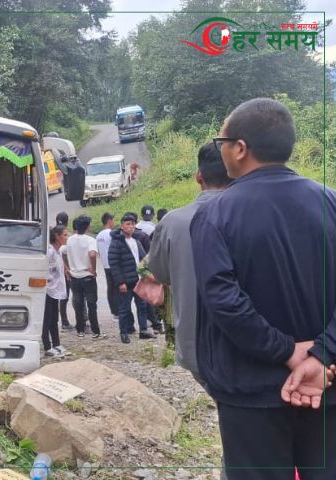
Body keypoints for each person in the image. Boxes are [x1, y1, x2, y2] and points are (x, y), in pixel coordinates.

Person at [192, 98, 335, 479]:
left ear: (240, 148)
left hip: (250, 392)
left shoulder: (214, 213)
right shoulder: (330, 202)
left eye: (222, 140)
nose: (220, 148)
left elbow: (223, 300)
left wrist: (286, 351)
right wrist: (322, 354)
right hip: (325, 385)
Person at [148, 142, 230, 383]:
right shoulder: (254, 214)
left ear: (198, 176)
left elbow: (160, 274)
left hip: (195, 344)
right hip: (254, 346)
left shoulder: (172, 222)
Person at [108, 212, 153, 344]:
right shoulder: (116, 243)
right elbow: (114, 264)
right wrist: (120, 282)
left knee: (142, 306)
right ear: (122, 226)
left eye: (133, 224)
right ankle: (124, 332)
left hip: (138, 280)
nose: (131, 226)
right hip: (126, 282)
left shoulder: (136, 241)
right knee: (125, 308)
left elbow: (144, 259)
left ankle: (143, 330)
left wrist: (146, 274)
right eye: (128, 224)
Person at [63, 215, 104, 339]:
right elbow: (92, 254)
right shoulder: (90, 240)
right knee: (92, 304)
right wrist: (93, 269)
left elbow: (63, 252)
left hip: (74, 276)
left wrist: (67, 267)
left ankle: (79, 330)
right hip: (87, 276)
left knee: (79, 303)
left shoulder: (70, 240)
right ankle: (96, 331)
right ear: (87, 227)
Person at [42, 225, 70, 358]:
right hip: (48, 290)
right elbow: (46, 270)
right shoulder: (50, 251)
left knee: (54, 317)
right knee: (47, 318)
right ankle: (47, 346)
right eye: (65, 235)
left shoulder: (58, 251)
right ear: (57, 237)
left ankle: (56, 344)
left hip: (55, 289)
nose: (67, 237)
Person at [95, 212, 118, 317]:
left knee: (110, 287)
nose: (114, 222)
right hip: (114, 264)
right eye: (113, 220)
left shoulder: (99, 235)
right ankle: (117, 311)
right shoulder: (111, 234)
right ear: (109, 221)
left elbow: (98, 251)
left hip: (105, 264)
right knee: (117, 288)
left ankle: (113, 310)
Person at [55, 211, 73, 330]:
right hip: (66, 271)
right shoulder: (67, 235)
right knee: (65, 296)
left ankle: (62, 321)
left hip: (56, 271)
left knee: (60, 296)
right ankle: (65, 321)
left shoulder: (53, 233)